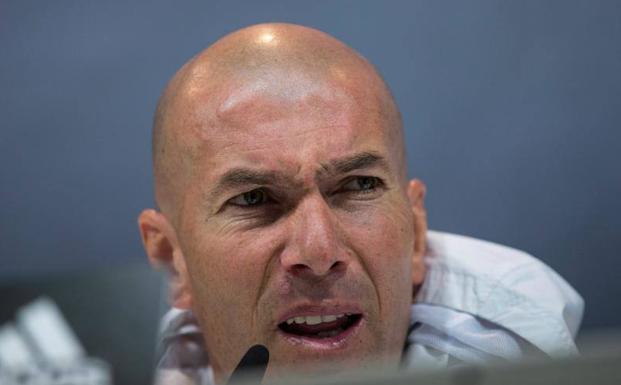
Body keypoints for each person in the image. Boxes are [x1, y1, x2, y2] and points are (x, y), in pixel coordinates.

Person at [138, 23, 584, 385]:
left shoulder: (513, 354)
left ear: (416, 234)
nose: (318, 252)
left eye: (358, 186)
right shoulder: (111, 363)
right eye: (254, 199)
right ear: (170, 259)